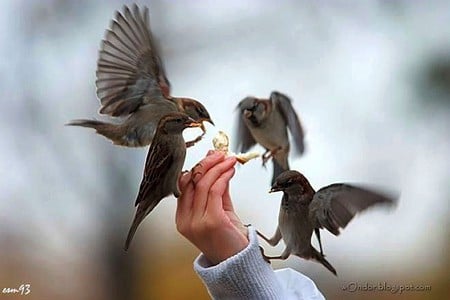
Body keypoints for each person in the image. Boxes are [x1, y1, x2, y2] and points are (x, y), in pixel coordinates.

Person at [176, 150, 325, 299]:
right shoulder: (287, 198)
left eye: (285, 186)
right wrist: (242, 243)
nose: (278, 189)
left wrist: (247, 266)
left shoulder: (310, 203)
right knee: (274, 239)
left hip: (301, 247)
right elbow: (274, 241)